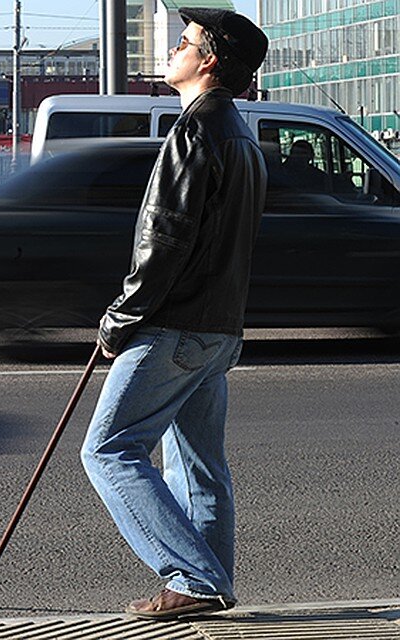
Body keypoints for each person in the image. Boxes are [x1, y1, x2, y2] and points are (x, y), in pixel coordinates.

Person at [80, 9, 269, 621]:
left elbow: (165, 237)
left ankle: (194, 579)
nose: (174, 51)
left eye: (184, 43)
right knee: (197, 464)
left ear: (208, 61)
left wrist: (120, 316)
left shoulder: (195, 132)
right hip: (218, 327)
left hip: (174, 323)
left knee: (108, 451)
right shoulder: (241, 136)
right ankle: (204, 587)